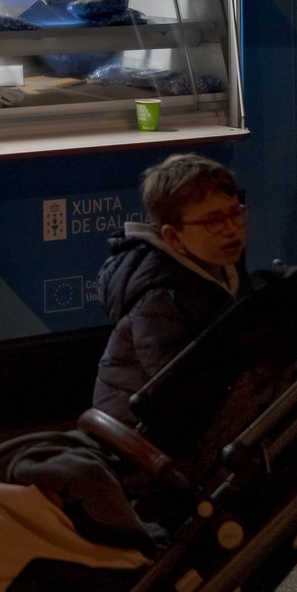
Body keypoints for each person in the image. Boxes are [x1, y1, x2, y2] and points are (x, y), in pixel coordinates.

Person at [93, 154, 250, 427]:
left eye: (235, 213)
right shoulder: (160, 301)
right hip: (138, 437)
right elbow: (183, 395)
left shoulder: (221, 266)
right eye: (212, 221)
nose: (231, 229)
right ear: (173, 237)